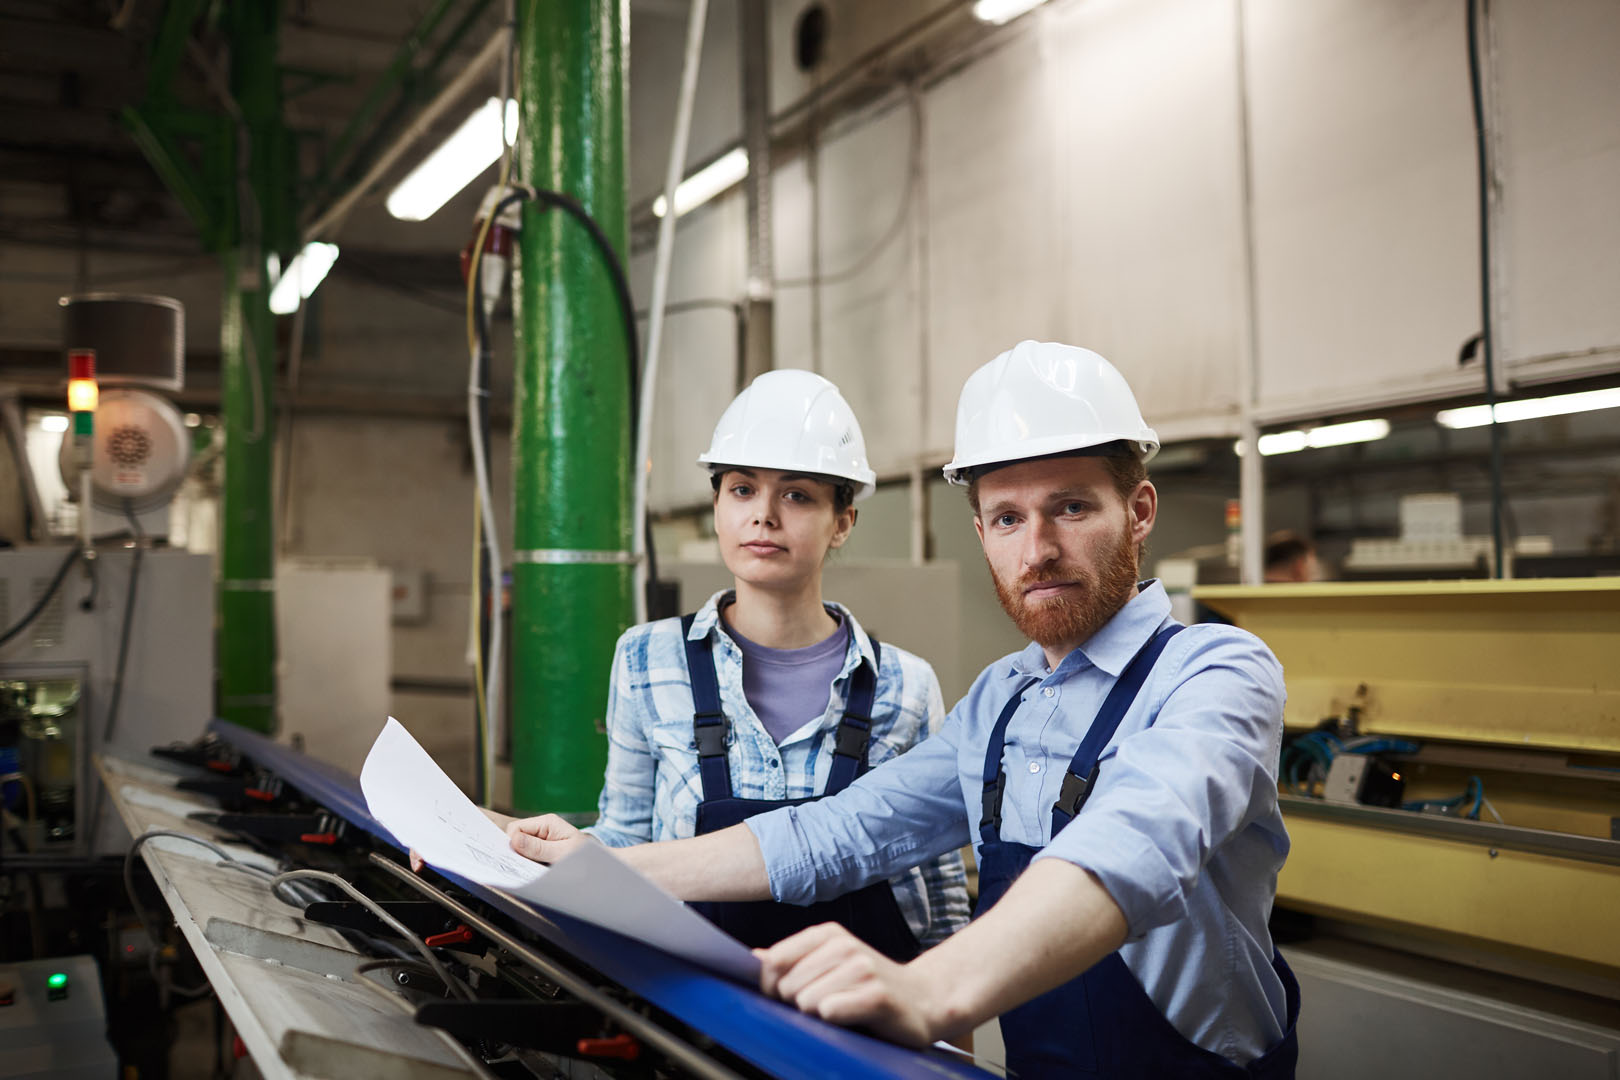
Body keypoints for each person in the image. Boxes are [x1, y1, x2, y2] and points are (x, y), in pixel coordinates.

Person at [502, 342, 1298, 1079]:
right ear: (981, 530)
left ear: (1141, 512)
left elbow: (1136, 843)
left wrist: (929, 993)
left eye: (1073, 508)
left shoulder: (1217, 672)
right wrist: (599, 865)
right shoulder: (1000, 702)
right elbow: (839, 832)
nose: (1038, 550)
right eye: (1009, 518)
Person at [471, 369, 970, 958]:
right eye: (742, 489)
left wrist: (948, 1047)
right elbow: (627, 837)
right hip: (686, 1015)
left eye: (797, 494)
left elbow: (938, 892)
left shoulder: (903, 685)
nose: (764, 515)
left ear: (843, 521)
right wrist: (499, 849)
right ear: (716, 506)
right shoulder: (647, 658)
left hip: (858, 1020)